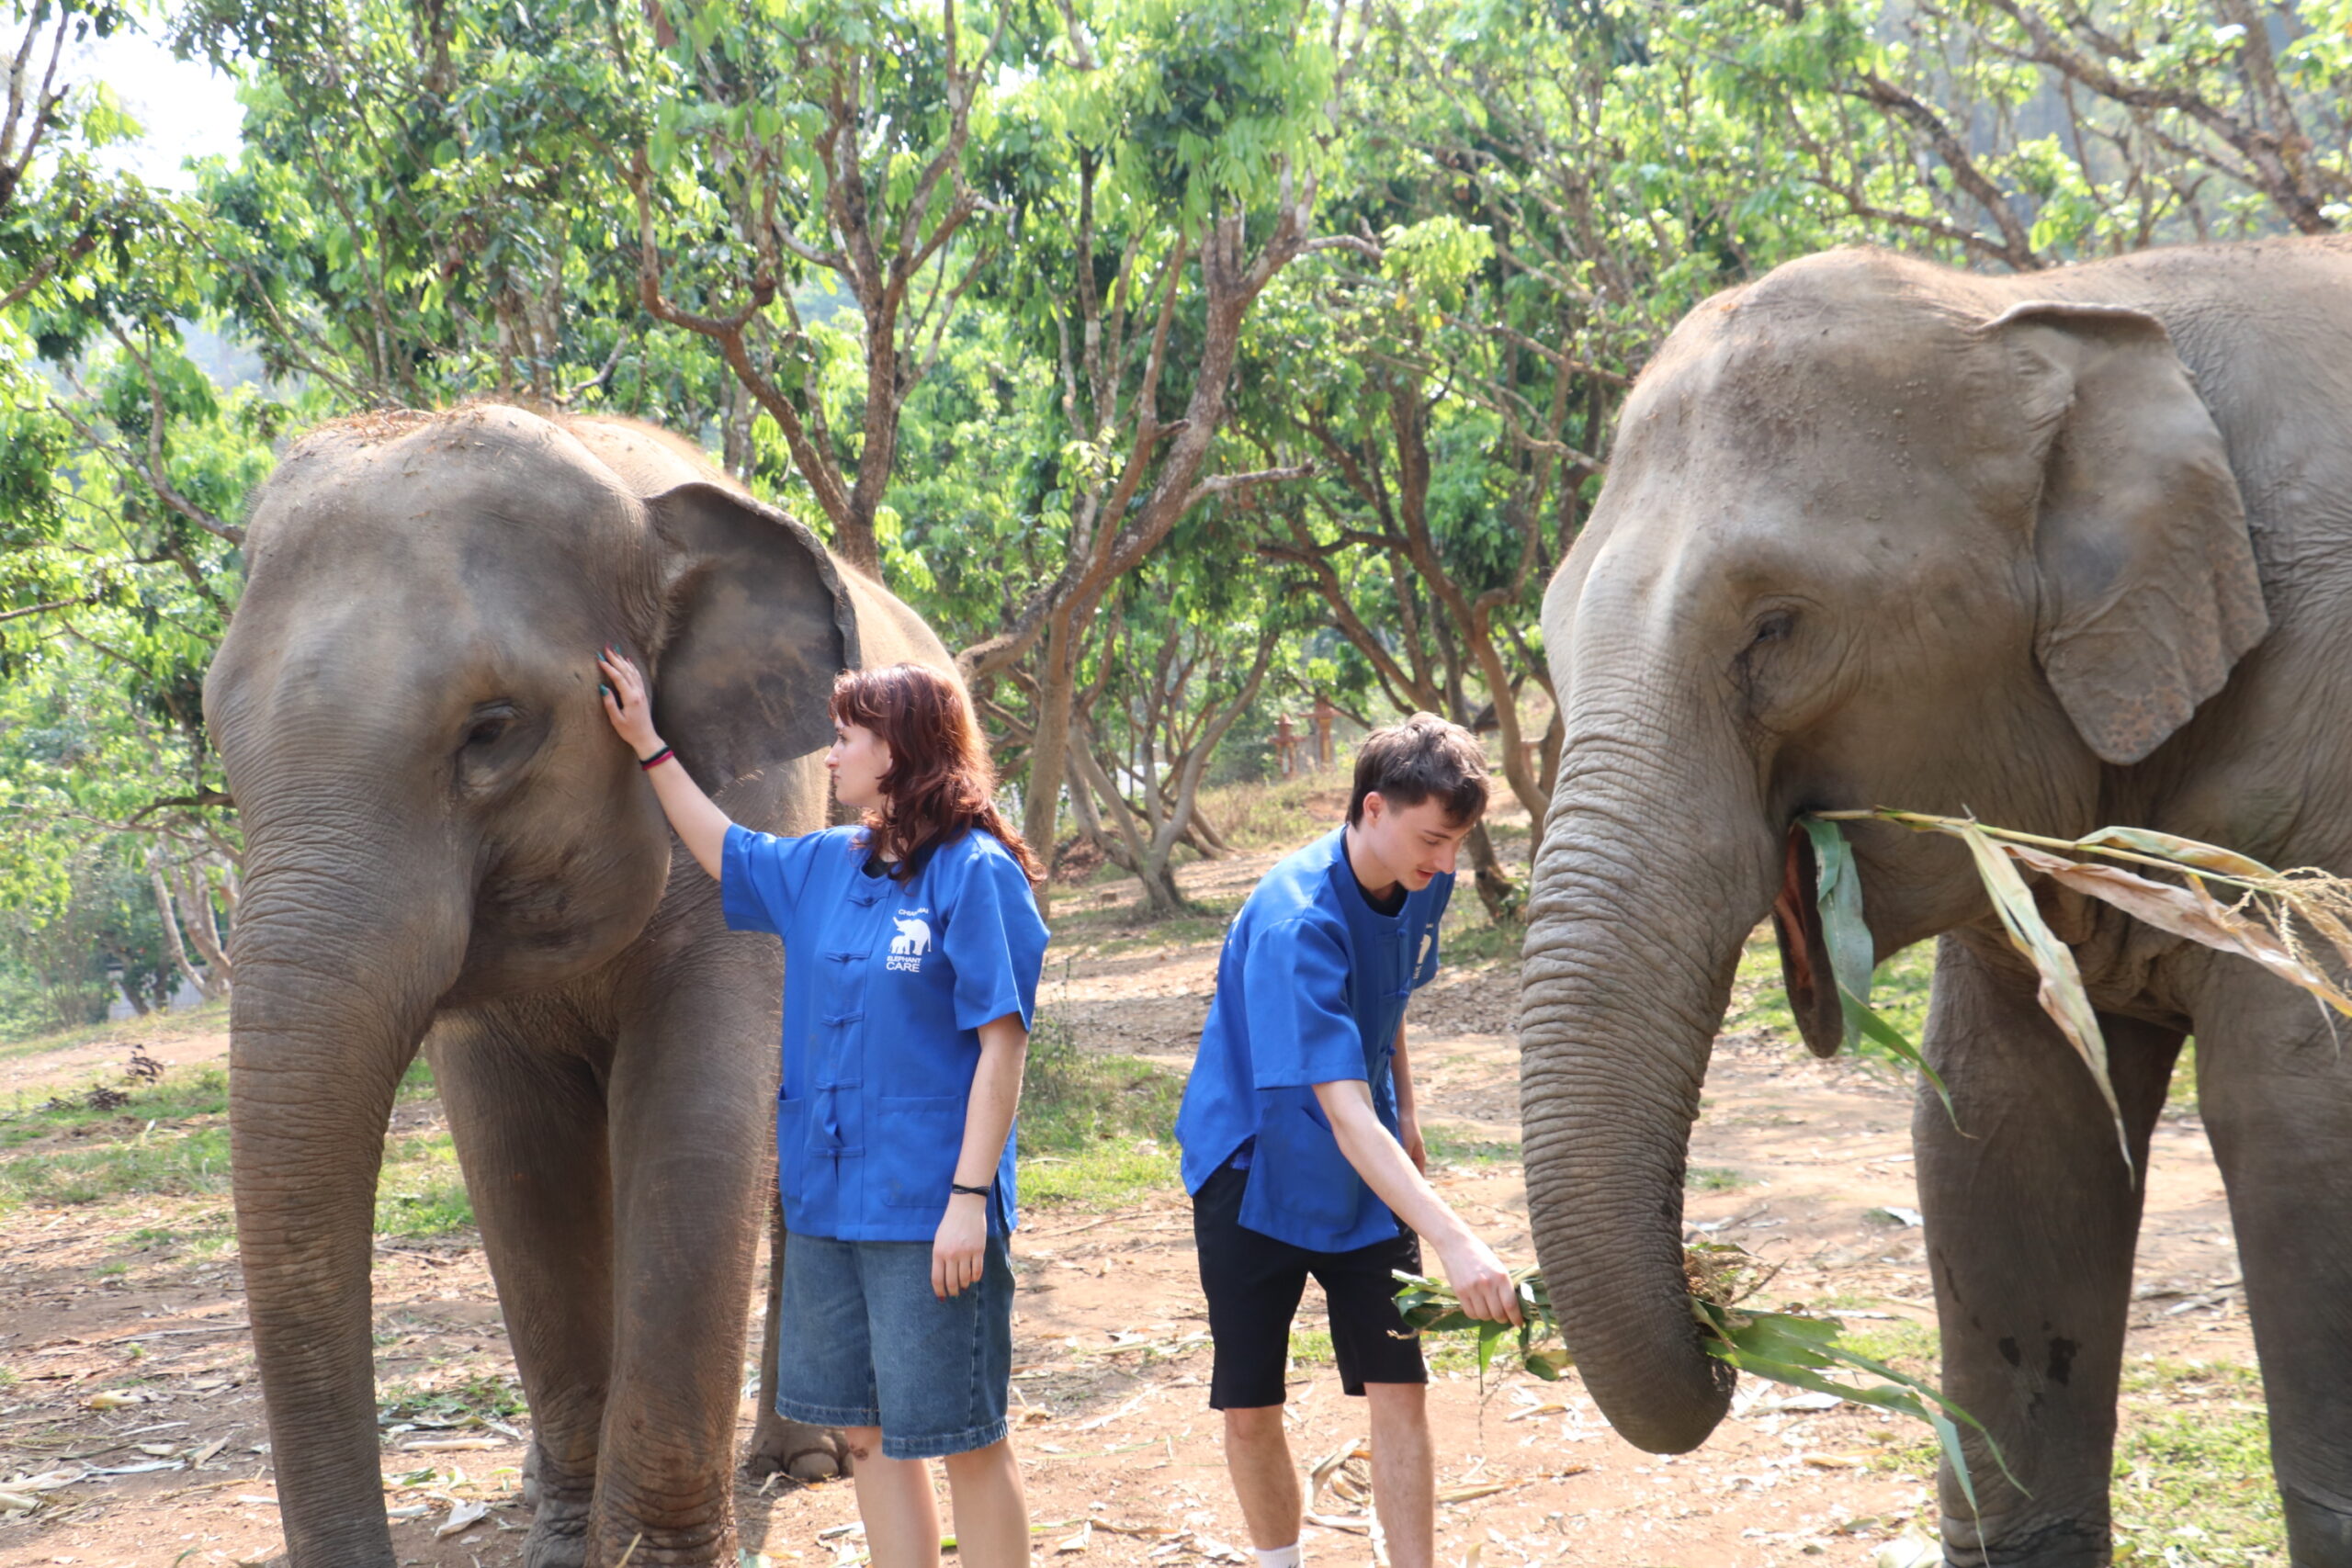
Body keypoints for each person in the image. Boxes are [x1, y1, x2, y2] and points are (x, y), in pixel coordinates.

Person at [597, 648, 1046, 1568]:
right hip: (827, 1206)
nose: (830, 756)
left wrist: (968, 1199)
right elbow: (722, 848)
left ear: (901, 750)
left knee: (961, 1437)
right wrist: (647, 742)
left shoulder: (975, 874)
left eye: (846, 738)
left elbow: (1003, 1046)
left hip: (929, 1212)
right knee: (867, 1436)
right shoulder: (822, 869)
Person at [1173, 714, 1523, 1568]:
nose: (1444, 865)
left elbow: (1392, 989)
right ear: (1373, 807)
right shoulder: (1297, 921)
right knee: (1251, 1402)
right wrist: (1457, 1239)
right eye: (1433, 840)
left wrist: (1407, 1104)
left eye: (1454, 845)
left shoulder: (1421, 872)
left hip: (1366, 1167)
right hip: (1253, 1164)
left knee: (1400, 1389)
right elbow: (1341, 1114)